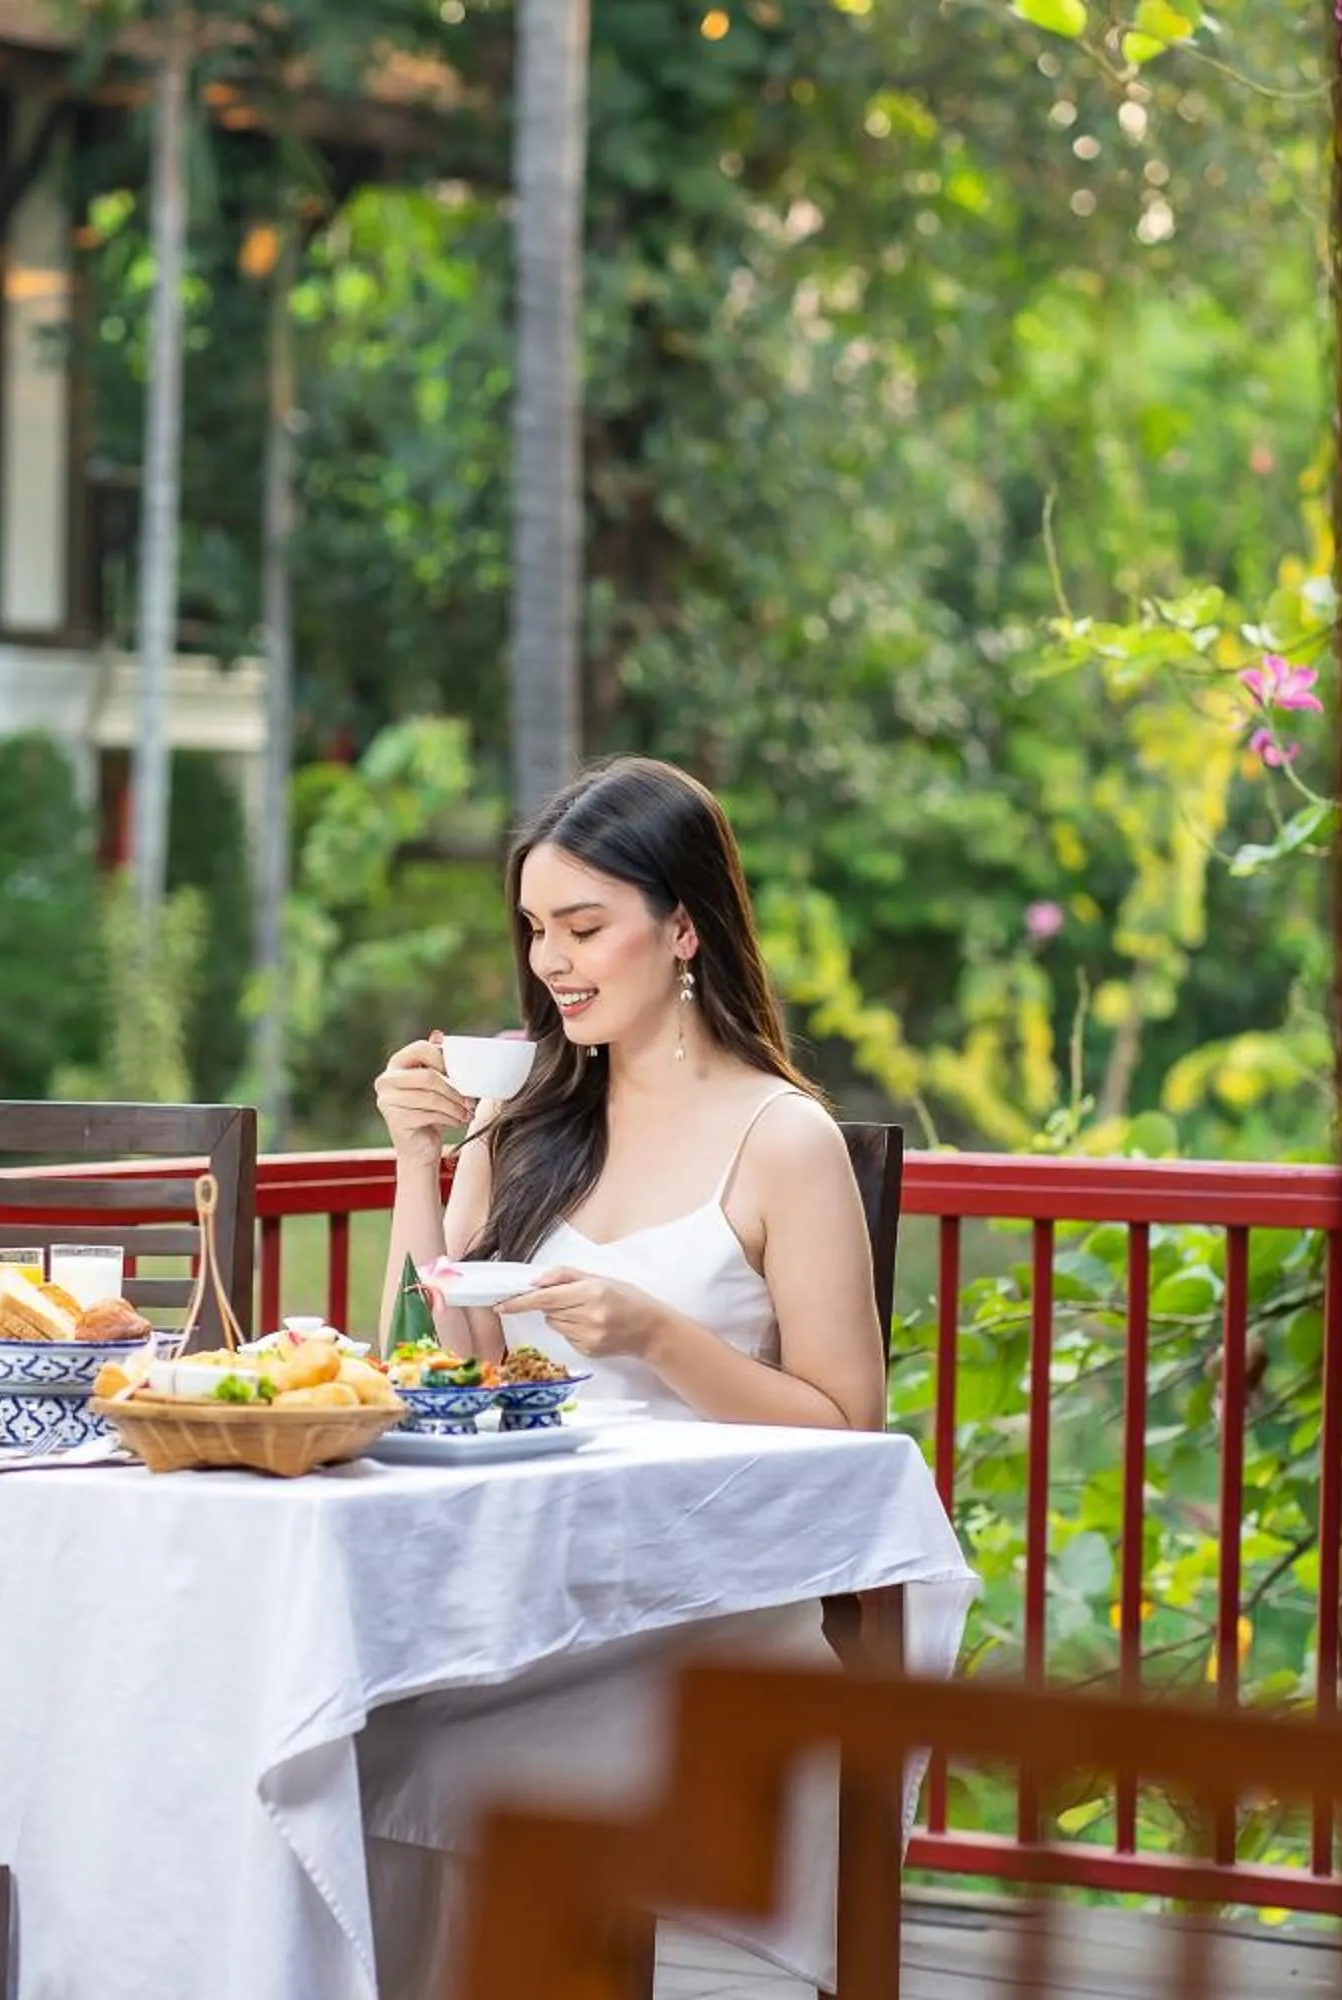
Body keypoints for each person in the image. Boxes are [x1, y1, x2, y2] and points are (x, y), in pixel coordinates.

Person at [359, 756, 889, 1998]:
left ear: (685, 924)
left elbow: (850, 1422)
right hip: (531, 1577)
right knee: (351, 1725)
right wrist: (418, 1158)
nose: (552, 960)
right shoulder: (529, 1120)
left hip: (708, 1598)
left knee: (438, 1756)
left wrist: (659, 1339)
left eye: (585, 925)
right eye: (537, 930)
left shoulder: (784, 1138)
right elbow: (437, 1359)